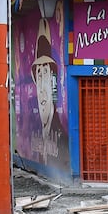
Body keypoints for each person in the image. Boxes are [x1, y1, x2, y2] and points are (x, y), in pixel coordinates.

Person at [32, 18, 69, 168]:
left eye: (45, 74)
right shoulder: (36, 131)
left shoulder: (61, 133)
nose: (41, 89)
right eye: (38, 76)